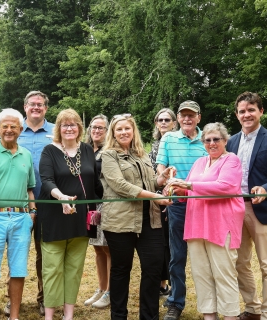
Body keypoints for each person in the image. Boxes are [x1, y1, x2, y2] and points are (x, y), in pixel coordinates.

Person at [167, 123, 245, 320]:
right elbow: (191, 192)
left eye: (216, 139)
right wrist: (180, 190)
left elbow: (225, 187)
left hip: (220, 225)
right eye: (208, 140)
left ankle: (230, 315)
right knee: (201, 274)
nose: (211, 143)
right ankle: (209, 315)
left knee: (224, 274)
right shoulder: (200, 163)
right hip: (196, 225)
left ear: (225, 141)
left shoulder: (231, 160)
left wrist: (190, 185)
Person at [100, 113, 173, 320]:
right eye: (119, 129)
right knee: (121, 269)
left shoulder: (142, 154)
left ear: (134, 131)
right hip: (120, 222)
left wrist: (163, 177)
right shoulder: (108, 156)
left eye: (127, 128)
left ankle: (149, 317)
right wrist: (156, 197)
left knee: (153, 268)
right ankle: (119, 316)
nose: (124, 132)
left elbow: (151, 182)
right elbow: (120, 186)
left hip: (150, 220)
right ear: (113, 133)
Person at [226, 92, 267, 320]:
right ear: (237, 115)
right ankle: (252, 308)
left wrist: (266, 188)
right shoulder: (230, 141)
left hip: (262, 210)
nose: (247, 115)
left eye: (251, 110)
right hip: (235, 209)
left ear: (261, 111)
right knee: (240, 262)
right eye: (242, 111)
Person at [37, 109, 103, 320]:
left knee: (74, 268)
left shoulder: (87, 150)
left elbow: (95, 183)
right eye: (64, 124)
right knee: (52, 269)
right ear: (58, 128)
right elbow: (46, 181)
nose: (69, 128)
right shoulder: (49, 151)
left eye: (73, 124)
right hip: (55, 217)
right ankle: (49, 315)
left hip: (80, 218)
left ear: (79, 128)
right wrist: (61, 197)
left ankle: (68, 315)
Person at [0, 108, 36, 320]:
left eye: (13, 126)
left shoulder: (26, 155)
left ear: (21, 129)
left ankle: (14, 316)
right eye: (5, 126)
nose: (9, 130)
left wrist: (33, 212)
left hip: (21, 218)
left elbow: (30, 188)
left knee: (19, 269)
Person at [156, 101, 208, 320]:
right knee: (177, 256)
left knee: (206, 256)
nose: (187, 119)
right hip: (178, 205)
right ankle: (176, 302)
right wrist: (166, 173)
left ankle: (210, 304)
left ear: (199, 117)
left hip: (204, 205)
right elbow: (160, 168)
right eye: (183, 115)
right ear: (178, 118)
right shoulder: (168, 138)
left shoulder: (208, 138)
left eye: (191, 115)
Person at [14, 90, 55, 316]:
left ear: (46, 108)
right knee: (16, 253)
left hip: (47, 202)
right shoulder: (14, 129)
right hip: (18, 204)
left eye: (40, 104)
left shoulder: (56, 131)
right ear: (25, 106)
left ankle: (44, 297)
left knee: (45, 254)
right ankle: (13, 299)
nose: (36, 107)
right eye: (32, 104)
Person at [83, 114, 111, 309]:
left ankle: (110, 291)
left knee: (108, 248)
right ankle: (101, 289)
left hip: (106, 203)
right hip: (89, 205)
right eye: (94, 127)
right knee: (97, 248)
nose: (96, 131)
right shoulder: (85, 150)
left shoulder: (109, 151)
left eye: (101, 128)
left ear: (107, 131)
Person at [148, 108, 177, 297]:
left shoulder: (177, 142)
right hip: (155, 196)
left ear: (174, 122)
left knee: (171, 242)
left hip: (175, 195)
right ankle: (160, 282)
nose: (164, 123)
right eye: (160, 120)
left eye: (167, 119)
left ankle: (168, 283)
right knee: (159, 241)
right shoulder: (154, 145)